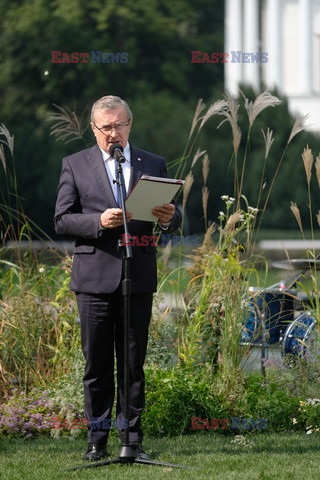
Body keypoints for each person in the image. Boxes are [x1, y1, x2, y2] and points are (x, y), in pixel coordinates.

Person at [54, 95, 182, 461]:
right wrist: (97, 221)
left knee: (132, 364)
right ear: (94, 129)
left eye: (121, 125)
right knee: (96, 366)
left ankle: (132, 440)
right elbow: (62, 219)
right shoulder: (75, 165)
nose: (115, 133)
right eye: (107, 127)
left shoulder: (152, 162)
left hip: (137, 275)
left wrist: (167, 216)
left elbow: (175, 220)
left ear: (130, 125)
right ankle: (97, 440)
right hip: (94, 278)